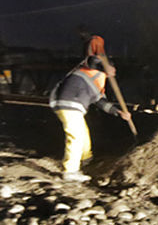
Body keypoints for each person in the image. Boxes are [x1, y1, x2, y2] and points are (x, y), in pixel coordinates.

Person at [49, 55, 132, 183]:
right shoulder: (91, 74)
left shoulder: (93, 77)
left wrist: (118, 112)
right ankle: (70, 171)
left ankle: (85, 161)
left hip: (71, 107)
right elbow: (95, 61)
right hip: (70, 106)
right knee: (76, 137)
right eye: (113, 67)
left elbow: (99, 101)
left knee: (83, 134)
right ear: (106, 67)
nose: (115, 71)